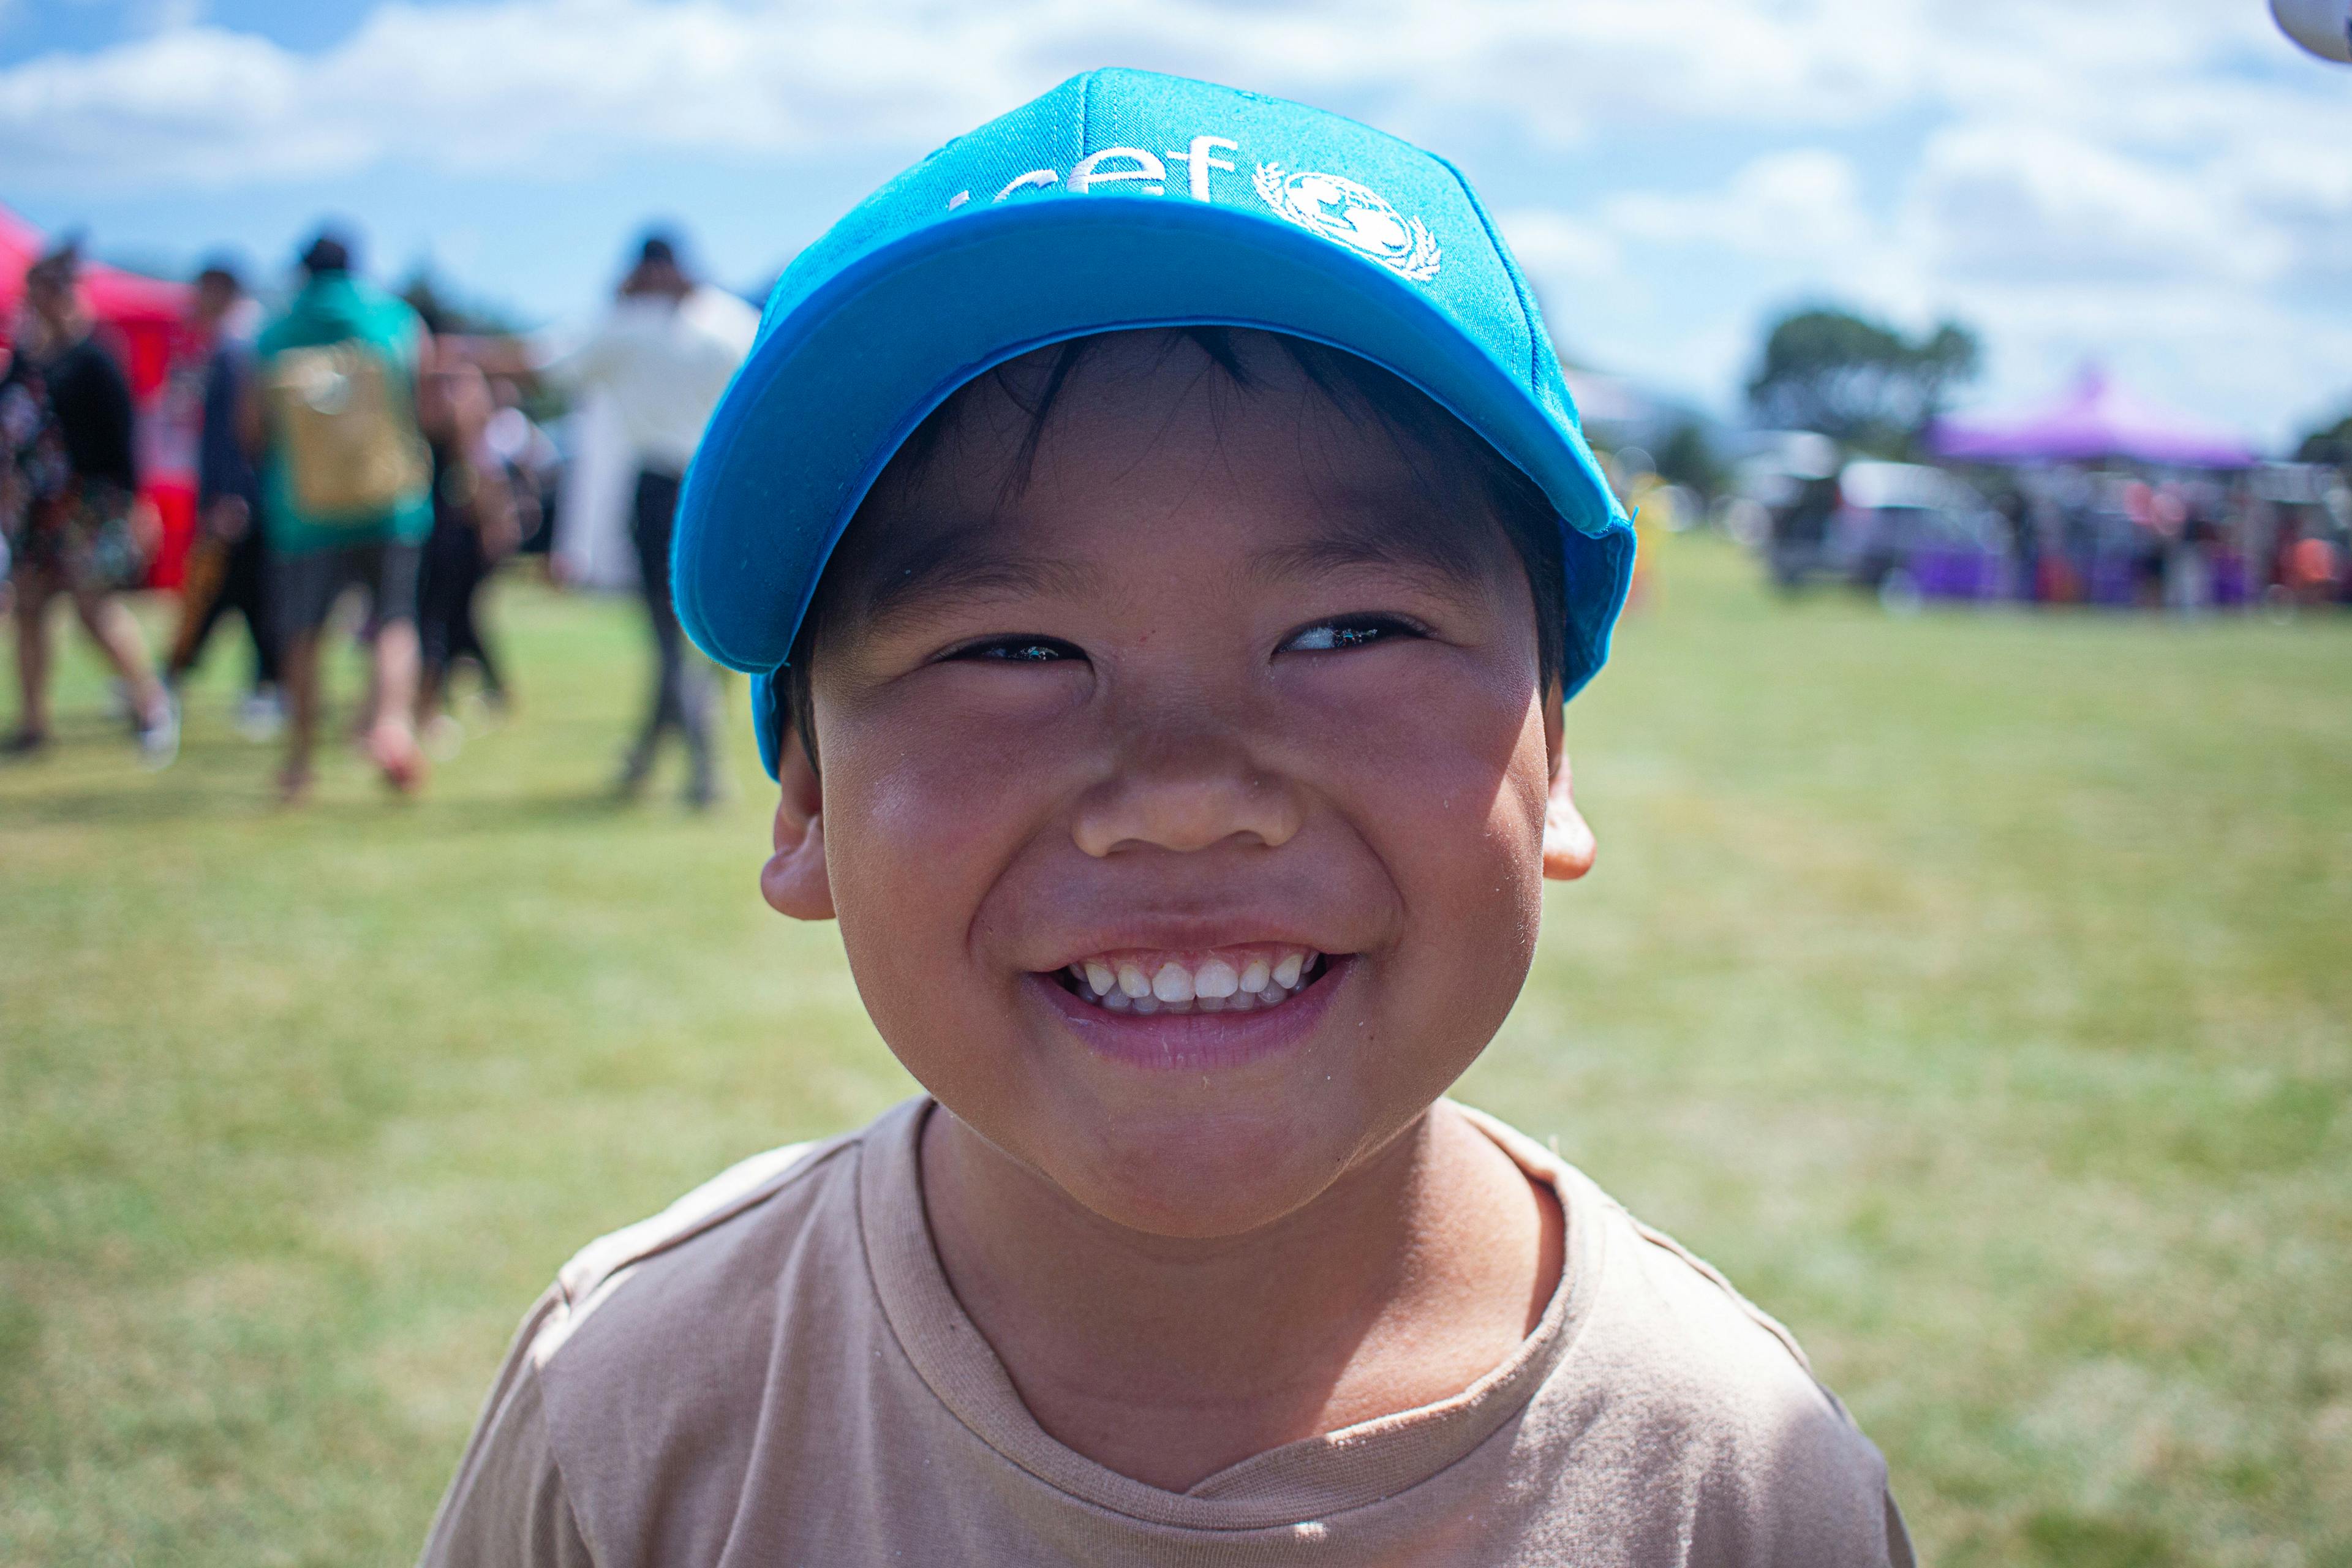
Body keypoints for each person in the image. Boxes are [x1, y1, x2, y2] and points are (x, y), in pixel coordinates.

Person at [420, 72, 1909, 1567]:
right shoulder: (626, 1412)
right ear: (804, 794)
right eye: (1009, 650)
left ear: (1555, 755)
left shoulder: (1740, 1485)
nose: (1185, 792)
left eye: (1346, 631)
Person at [536, 232, 756, 809]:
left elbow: (556, 367)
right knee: (710, 637)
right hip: (721, 485)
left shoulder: (627, 326)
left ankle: (704, 771)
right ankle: (649, 758)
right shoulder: (733, 322)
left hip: (662, 489)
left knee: (669, 639)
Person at [246, 231, 433, 801]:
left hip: (303, 509)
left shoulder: (274, 330)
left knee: (303, 633)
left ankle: (300, 761)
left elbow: (251, 428)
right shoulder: (395, 320)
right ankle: (391, 731)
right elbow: (424, 408)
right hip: (391, 501)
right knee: (394, 622)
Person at [1, 242, 177, 766]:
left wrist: (133, 507)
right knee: (28, 609)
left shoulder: (95, 357)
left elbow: (125, 441)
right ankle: (33, 724)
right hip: (36, 507)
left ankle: (151, 704)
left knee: (92, 609)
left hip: (90, 505)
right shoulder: (26, 361)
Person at [165, 261, 282, 735]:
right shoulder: (232, 346)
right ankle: (261, 686)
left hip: (239, 502)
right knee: (242, 595)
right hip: (241, 500)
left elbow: (242, 435)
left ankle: (175, 678)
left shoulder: (239, 348)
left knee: (226, 592)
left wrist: (233, 495)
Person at [413, 346, 518, 741]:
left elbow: (481, 470)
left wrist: (494, 522)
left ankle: (431, 706)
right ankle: (444, 700)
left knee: (440, 621)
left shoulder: (453, 417)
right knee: (450, 621)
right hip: (443, 529)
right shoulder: (438, 412)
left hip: (453, 533)